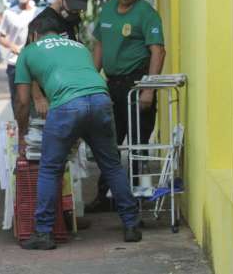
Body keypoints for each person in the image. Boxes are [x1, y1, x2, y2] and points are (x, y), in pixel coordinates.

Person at [14, 17, 141, 250]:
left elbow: (23, 102)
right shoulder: (78, 46)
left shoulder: (29, 51)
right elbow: (85, 78)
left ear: (33, 35)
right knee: (111, 165)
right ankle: (131, 224)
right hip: (101, 99)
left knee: (50, 169)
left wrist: (22, 133)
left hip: (66, 106)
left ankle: (43, 233)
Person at [87, 0, 166, 213]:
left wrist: (149, 89)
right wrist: (90, 79)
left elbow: (158, 51)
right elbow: (99, 44)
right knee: (108, 142)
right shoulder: (108, 10)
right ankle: (105, 196)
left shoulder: (147, 14)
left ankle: (136, 200)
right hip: (111, 85)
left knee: (138, 145)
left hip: (137, 85)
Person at [26, 0, 89, 120]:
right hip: (47, 101)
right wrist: (38, 98)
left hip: (69, 96)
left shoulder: (72, 20)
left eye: (79, 10)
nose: (75, 12)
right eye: (72, 8)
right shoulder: (42, 24)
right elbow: (29, 63)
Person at [0, 0, 37, 109]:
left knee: (34, 99)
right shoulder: (9, 13)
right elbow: (1, 37)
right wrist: (12, 46)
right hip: (15, 64)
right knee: (17, 100)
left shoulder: (38, 13)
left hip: (34, 64)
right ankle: (20, 128)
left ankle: (32, 128)